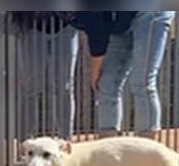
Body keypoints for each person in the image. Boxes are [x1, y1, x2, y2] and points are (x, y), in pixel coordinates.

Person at [60, 11, 176, 140]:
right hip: (118, 20)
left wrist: (94, 71)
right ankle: (108, 148)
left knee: (141, 82)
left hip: (150, 10)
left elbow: (98, 35)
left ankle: (145, 148)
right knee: (106, 83)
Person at [10, 12, 79, 141]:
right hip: (31, 26)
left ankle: (65, 140)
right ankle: (26, 142)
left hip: (67, 25)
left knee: (65, 87)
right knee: (30, 88)